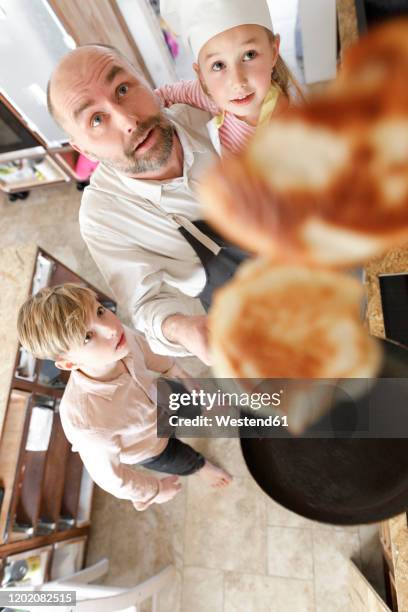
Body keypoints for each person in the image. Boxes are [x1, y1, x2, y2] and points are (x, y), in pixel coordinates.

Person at [46, 43, 248, 365]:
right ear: (81, 148)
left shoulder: (210, 113)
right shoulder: (103, 217)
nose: (128, 120)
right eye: (97, 119)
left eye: (123, 89)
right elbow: (145, 303)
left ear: (145, 80)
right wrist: (182, 328)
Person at [17, 284, 232, 511]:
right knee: (181, 458)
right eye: (88, 336)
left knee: (192, 402)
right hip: (150, 447)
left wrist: (180, 374)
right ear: (69, 363)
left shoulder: (119, 339)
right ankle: (201, 467)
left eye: (100, 312)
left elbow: (149, 351)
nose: (110, 328)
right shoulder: (87, 423)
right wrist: (155, 491)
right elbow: (111, 478)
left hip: (160, 400)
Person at [158, 0, 303, 155]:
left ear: (273, 52)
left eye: (249, 55)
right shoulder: (209, 96)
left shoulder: (291, 125)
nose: (237, 82)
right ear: (202, 76)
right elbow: (159, 97)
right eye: (218, 65)